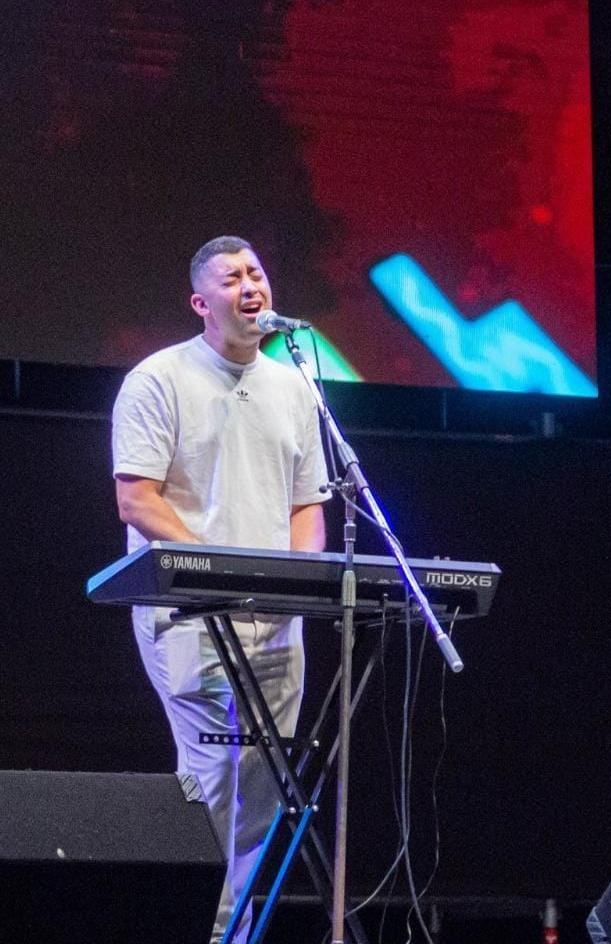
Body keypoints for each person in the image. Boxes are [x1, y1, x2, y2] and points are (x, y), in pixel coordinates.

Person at [111, 235, 330, 943]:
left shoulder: (295, 388)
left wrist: (300, 585)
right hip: (190, 613)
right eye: (232, 278)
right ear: (201, 303)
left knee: (265, 792)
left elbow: (308, 504)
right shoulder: (159, 378)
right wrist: (216, 571)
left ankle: (235, 935)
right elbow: (136, 499)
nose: (250, 285)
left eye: (256, 272)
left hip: (277, 621)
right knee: (216, 784)